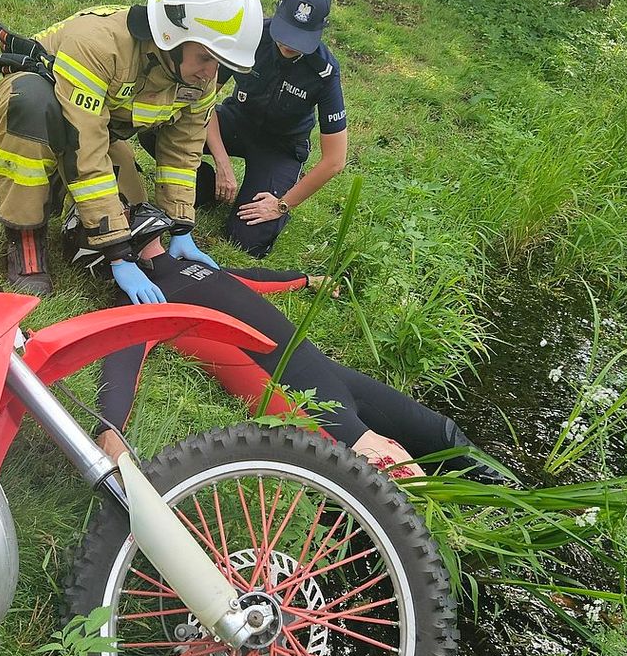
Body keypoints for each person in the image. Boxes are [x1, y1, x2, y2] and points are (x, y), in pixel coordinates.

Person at [64, 203, 503, 481]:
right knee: (404, 481)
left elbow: (250, 281)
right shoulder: (144, 299)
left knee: (444, 435)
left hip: (328, 374)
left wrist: (306, 280)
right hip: (304, 402)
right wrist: (110, 429)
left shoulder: (190, 268)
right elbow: (121, 355)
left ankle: (518, 500)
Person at [0, 0, 264, 298]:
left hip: (99, 126)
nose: (209, 72)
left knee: (136, 223)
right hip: (40, 108)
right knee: (32, 105)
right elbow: (84, 144)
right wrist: (116, 253)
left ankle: (54, 186)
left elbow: (184, 151)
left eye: (219, 62)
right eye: (204, 58)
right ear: (172, 38)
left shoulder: (199, 74)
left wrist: (180, 227)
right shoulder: (100, 45)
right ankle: (25, 241)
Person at [141, 0, 348, 258]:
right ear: (278, 10)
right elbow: (205, 99)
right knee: (156, 128)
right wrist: (223, 163)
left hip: (280, 147)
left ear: (320, 31)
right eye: (286, 31)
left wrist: (281, 204)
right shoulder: (249, 37)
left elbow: (334, 160)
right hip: (235, 122)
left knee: (246, 238)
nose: (289, 44)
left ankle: (266, 194)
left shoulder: (324, 72)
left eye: (301, 38)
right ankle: (201, 183)